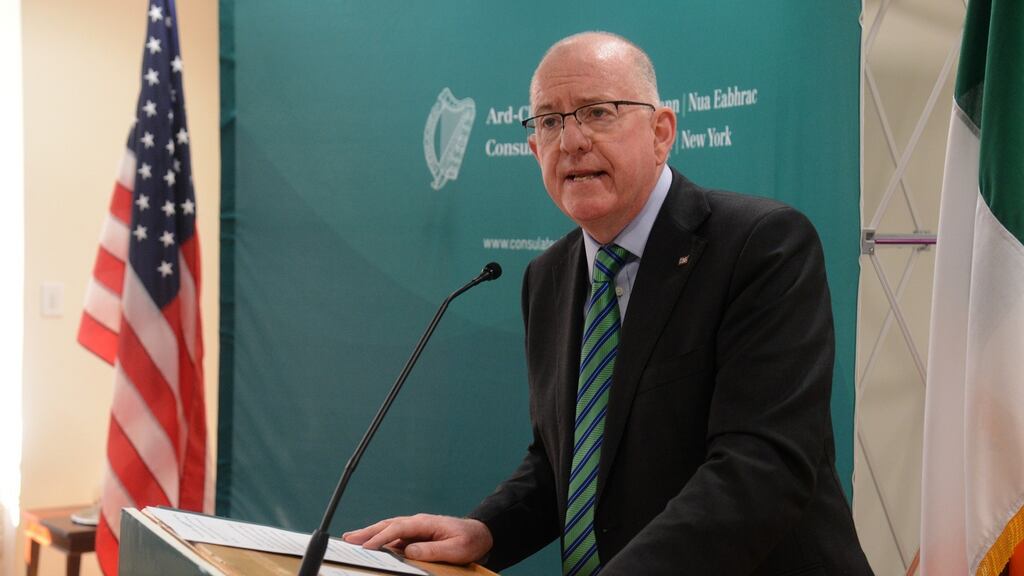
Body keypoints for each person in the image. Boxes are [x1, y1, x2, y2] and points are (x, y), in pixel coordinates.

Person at [344, 31, 873, 575]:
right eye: (549, 122)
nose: (571, 142)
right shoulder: (547, 276)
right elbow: (568, 464)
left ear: (661, 132)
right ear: (534, 150)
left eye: (597, 112)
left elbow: (761, 469)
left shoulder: (760, 245)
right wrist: (486, 531)